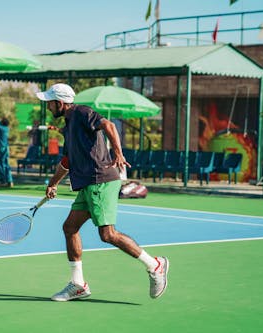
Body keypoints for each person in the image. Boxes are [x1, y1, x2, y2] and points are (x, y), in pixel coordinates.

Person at [36, 83, 169, 302]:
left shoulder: (81, 112)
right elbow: (67, 161)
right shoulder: (69, 125)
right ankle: (78, 284)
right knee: (70, 227)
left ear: (59, 103)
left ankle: (155, 265)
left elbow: (108, 125)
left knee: (107, 234)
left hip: (100, 181)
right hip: (88, 183)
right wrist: (52, 184)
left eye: (49, 103)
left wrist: (118, 152)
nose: (48, 107)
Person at [0, 116, 14, 187]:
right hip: (6, 147)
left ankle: (3, 181)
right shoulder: (6, 128)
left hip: (2, 148)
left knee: (1, 164)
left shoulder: (0, 128)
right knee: (7, 165)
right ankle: (10, 181)